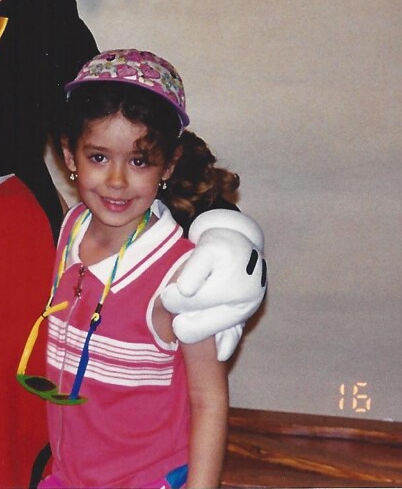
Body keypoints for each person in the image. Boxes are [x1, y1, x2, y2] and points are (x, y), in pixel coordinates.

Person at [19, 48, 243, 489]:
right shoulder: (70, 227)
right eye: (98, 158)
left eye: (139, 161)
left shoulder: (181, 274)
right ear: (70, 156)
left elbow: (209, 399)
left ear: (168, 165)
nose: (117, 181)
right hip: (69, 478)